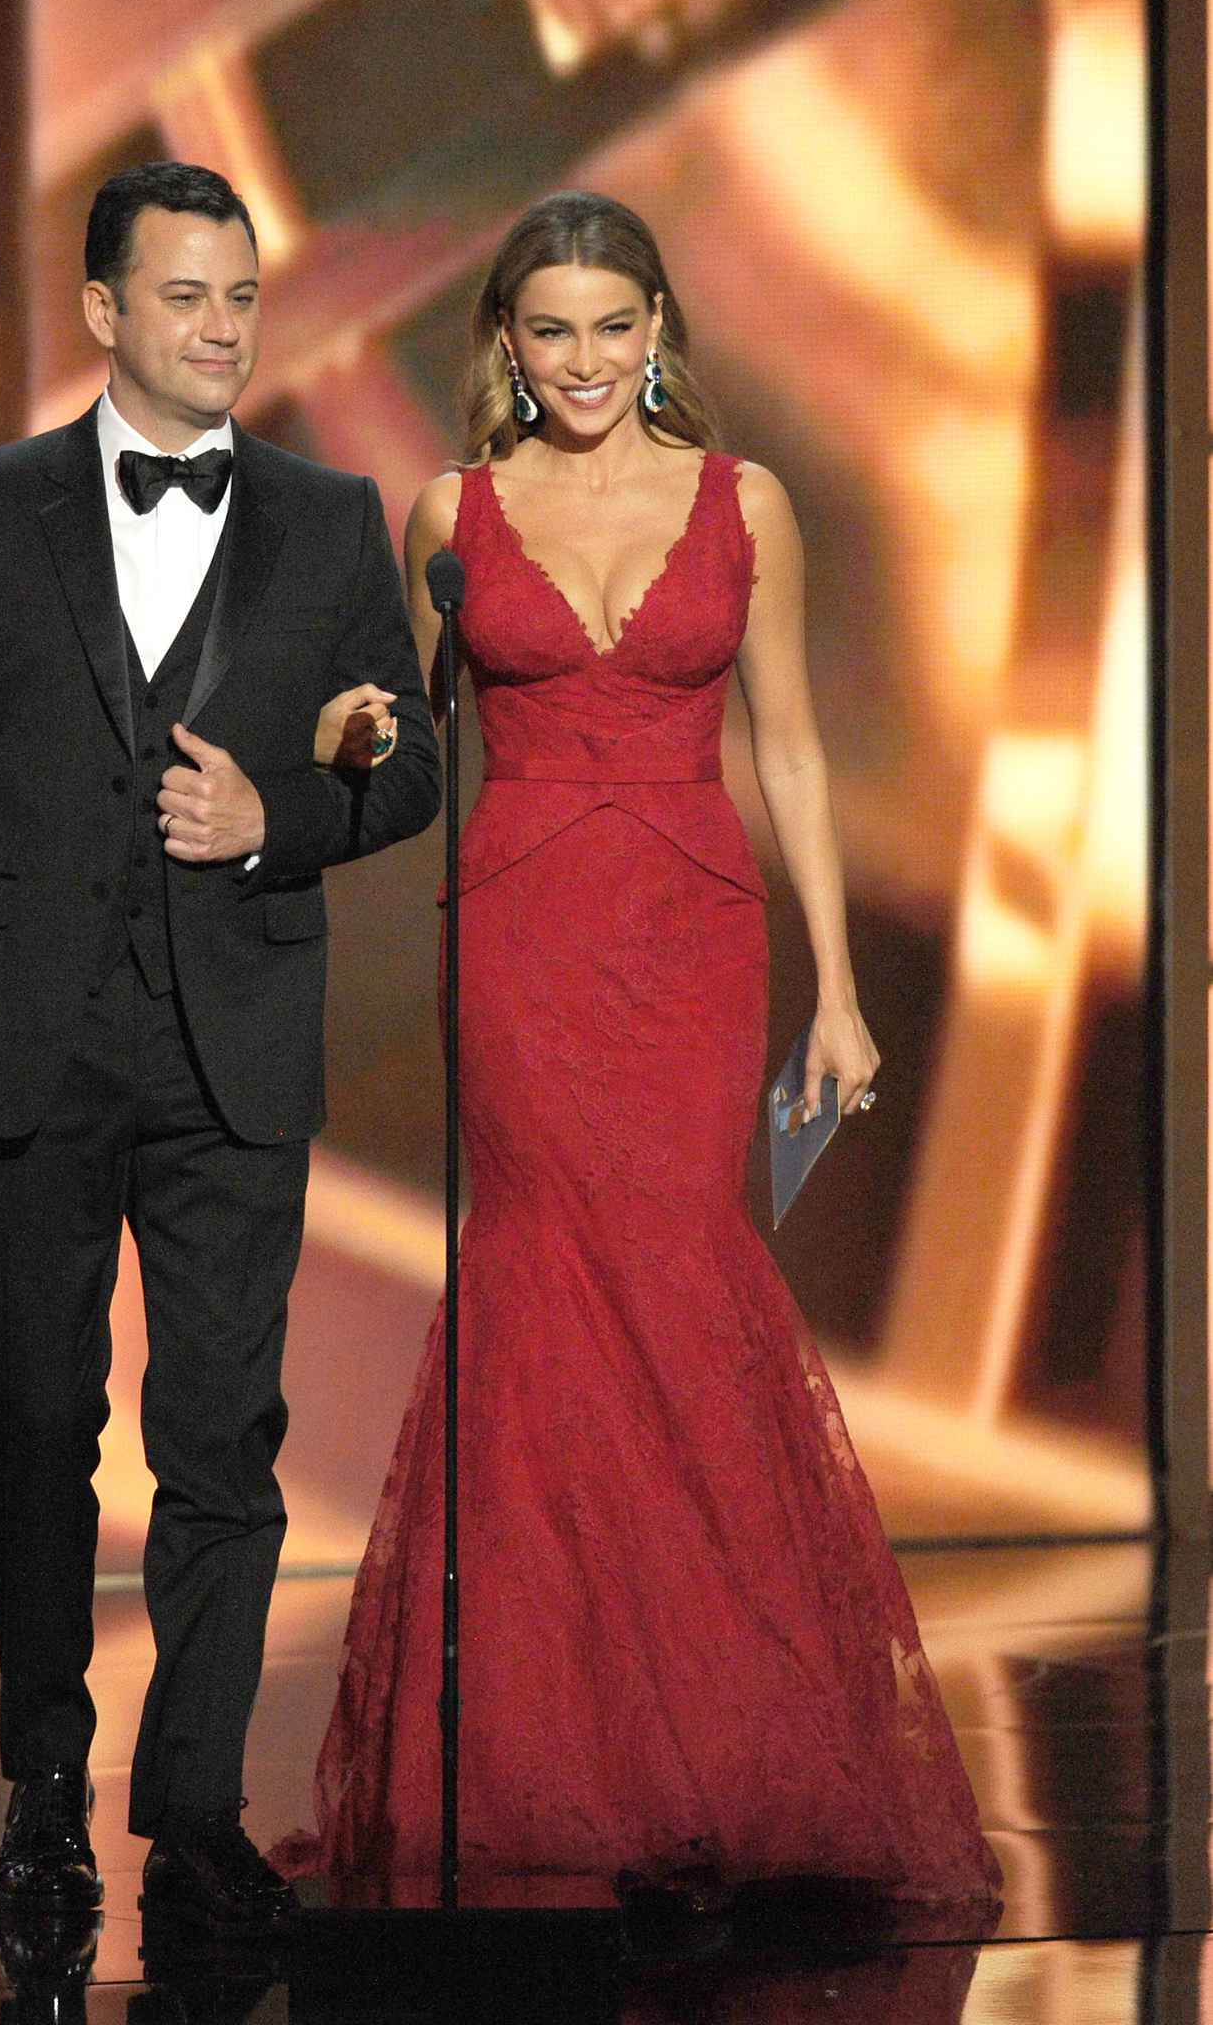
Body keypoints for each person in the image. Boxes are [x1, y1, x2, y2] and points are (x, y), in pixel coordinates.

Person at [300, 191, 1001, 1910]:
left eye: (616, 327)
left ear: (659, 331)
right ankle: (552, 1765)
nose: (588, 361)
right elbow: (404, 733)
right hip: (527, 931)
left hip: (692, 932)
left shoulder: (742, 503)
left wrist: (838, 990)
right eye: (554, 331)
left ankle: (731, 1744)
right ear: (509, 348)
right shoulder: (453, 511)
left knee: (683, 1280)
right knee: (548, 1291)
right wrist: (346, 728)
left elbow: (799, 758)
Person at [0, 160, 440, 1931]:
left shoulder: (333, 521)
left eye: (242, 298)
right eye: (186, 297)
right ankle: (45, 1786)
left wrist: (277, 815)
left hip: (233, 1039)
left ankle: (192, 1810)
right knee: (32, 1419)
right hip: (20, 1030)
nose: (223, 329)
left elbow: (402, 764)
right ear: (104, 311)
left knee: (222, 1440)